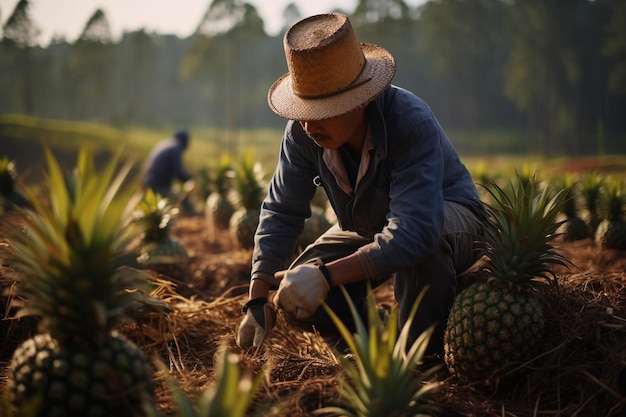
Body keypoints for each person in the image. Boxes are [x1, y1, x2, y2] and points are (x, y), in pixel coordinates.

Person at [237, 13, 485, 356]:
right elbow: (281, 210)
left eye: (323, 110)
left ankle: (422, 360)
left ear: (361, 99)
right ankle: (382, 337)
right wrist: (256, 298)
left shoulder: (408, 121)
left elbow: (416, 230)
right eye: (304, 110)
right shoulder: (302, 133)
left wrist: (326, 276)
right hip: (372, 224)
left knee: (425, 246)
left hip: (447, 218)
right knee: (296, 296)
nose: (308, 125)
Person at [142, 129, 192, 198]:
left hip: (148, 180)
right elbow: (178, 171)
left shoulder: (167, 144)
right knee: (178, 198)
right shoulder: (176, 148)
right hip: (157, 184)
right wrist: (189, 180)